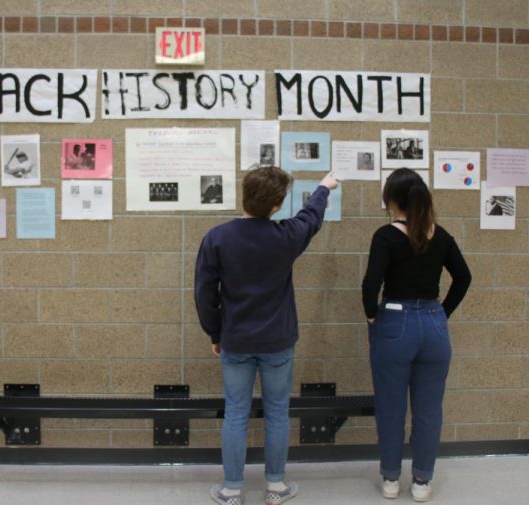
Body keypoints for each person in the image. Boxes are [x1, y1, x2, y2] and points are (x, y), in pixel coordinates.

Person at [195, 167, 338, 505]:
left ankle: (231, 489)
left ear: (244, 195)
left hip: (235, 340)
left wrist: (215, 332)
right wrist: (323, 188)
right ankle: (275, 487)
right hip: (278, 342)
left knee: (235, 413)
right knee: (277, 412)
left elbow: (204, 293)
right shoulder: (285, 237)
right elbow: (311, 218)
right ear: (275, 207)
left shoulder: (217, 238)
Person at [361, 168, 471, 503]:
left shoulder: (385, 236)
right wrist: (441, 313)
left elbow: (370, 284)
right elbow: (464, 278)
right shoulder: (441, 235)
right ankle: (422, 481)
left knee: (391, 406)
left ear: (393, 199)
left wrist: (371, 316)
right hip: (434, 325)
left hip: (394, 323)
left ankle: (392, 480)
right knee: (428, 409)